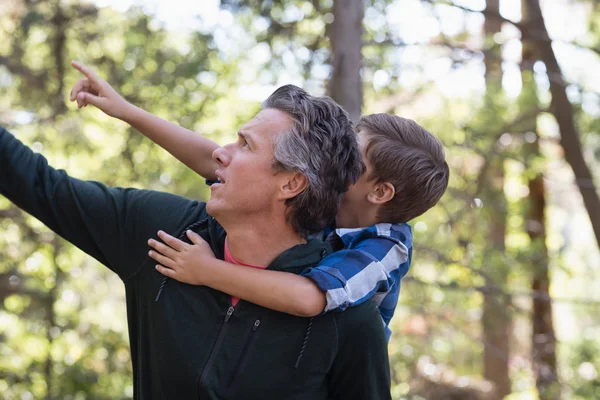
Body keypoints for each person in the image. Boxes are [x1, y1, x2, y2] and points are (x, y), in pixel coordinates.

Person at [0, 80, 391, 398]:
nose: (221, 153)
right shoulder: (160, 232)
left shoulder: (348, 321)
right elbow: (40, 185)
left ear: (291, 183)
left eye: (246, 145)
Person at [70, 61, 449, 340]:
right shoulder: (328, 201)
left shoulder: (387, 248)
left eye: (354, 157)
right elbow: (215, 159)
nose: (339, 156)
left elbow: (310, 297)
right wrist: (125, 111)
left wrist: (207, 271)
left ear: (379, 192)